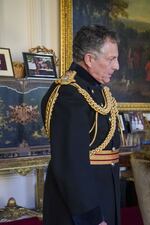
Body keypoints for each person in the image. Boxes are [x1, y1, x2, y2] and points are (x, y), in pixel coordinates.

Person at [41, 25, 122, 225]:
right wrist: (91, 218)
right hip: (80, 208)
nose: (117, 66)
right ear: (89, 59)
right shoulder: (68, 95)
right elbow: (71, 164)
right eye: (111, 59)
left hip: (103, 194)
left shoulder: (97, 91)